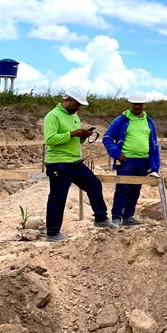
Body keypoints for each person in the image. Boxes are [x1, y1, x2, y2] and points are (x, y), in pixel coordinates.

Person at [44, 86, 115, 241]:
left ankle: (101, 219)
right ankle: (52, 232)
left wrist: (82, 135)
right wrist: (72, 133)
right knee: (58, 196)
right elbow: (50, 139)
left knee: (94, 184)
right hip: (58, 163)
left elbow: (74, 139)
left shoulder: (74, 116)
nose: (78, 108)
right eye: (77, 104)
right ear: (68, 100)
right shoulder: (53, 116)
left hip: (74, 162)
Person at [103, 92, 160, 226]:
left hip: (143, 161)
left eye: (140, 104)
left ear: (144, 104)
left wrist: (154, 166)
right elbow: (107, 137)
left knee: (135, 189)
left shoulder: (149, 122)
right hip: (126, 161)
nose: (137, 106)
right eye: (135, 104)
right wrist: (116, 152)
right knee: (122, 188)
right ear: (131, 104)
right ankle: (116, 217)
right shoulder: (121, 120)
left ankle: (128, 216)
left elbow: (155, 145)